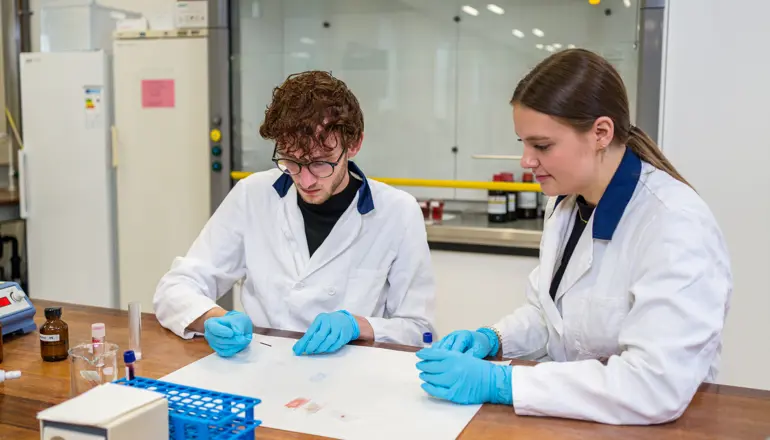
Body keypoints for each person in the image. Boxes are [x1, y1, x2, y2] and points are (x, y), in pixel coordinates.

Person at [415, 49, 732, 425]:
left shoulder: (674, 224)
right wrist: (492, 339)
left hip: (660, 428)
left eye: (541, 146)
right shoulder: (566, 203)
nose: (526, 160)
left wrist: (505, 383)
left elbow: (654, 385)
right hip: (578, 420)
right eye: (523, 143)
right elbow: (547, 314)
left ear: (601, 132)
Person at [154, 71, 435, 358]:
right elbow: (177, 286)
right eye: (291, 161)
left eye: (320, 164)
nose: (305, 180)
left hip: (349, 377)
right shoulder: (253, 195)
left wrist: (358, 326)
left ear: (354, 145)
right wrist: (211, 317)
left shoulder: (397, 212)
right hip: (261, 369)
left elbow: (419, 329)